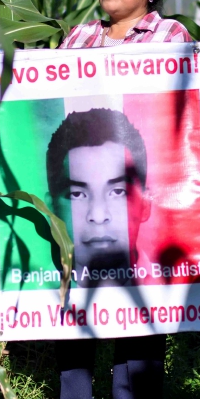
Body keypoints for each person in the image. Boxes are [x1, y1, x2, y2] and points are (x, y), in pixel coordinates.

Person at [54, 0, 197, 399]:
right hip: (88, 182)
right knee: (77, 291)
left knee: (140, 297)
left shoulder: (171, 37)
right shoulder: (77, 37)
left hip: (134, 185)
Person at [47, 108, 151, 287]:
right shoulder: (31, 294)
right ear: (50, 209)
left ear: (145, 203)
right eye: (77, 194)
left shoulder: (183, 288)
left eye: (118, 192)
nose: (98, 215)